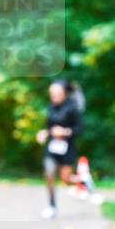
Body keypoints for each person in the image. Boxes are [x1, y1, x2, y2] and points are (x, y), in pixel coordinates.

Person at [36, 80, 83, 219]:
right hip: (52, 147)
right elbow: (50, 127)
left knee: (66, 179)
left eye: (56, 93)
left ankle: (83, 182)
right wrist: (44, 133)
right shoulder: (51, 107)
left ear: (65, 93)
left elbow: (80, 129)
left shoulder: (73, 108)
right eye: (52, 93)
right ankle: (52, 206)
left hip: (68, 147)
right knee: (49, 173)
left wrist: (65, 132)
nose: (53, 96)